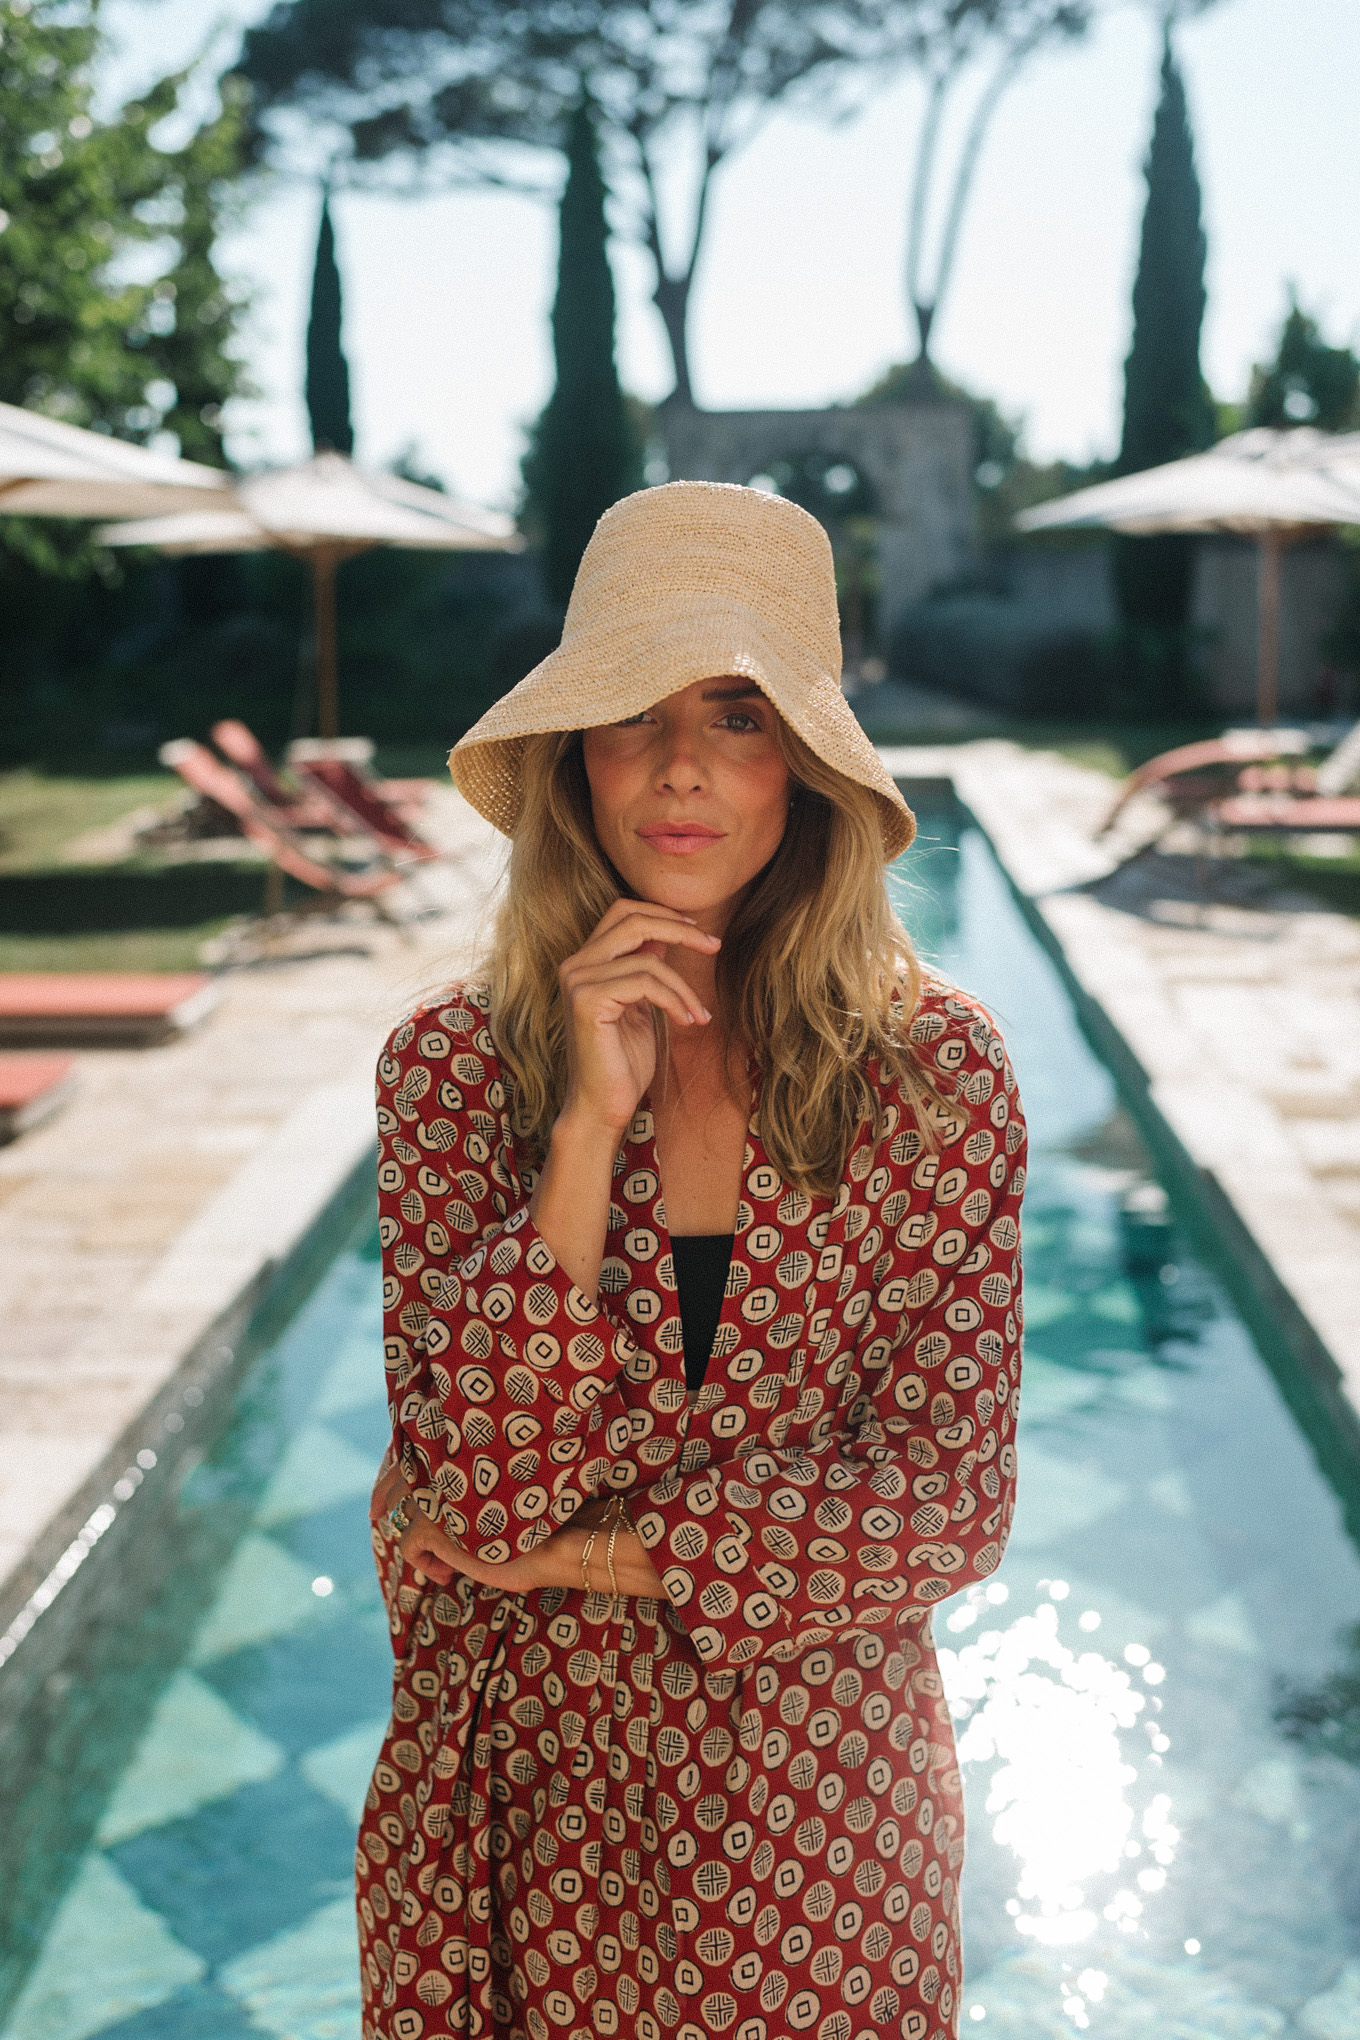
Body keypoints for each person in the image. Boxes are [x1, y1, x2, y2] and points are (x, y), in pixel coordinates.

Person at [364, 480, 1026, 2040]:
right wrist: (586, 1133)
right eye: (628, 714)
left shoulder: (936, 1077)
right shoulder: (454, 1073)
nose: (676, 768)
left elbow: (949, 1504)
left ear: (801, 761)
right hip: (531, 1825)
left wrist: (595, 1558)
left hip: (822, 1838)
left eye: (733, 713)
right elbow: (476, 1490)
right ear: (570, 757)